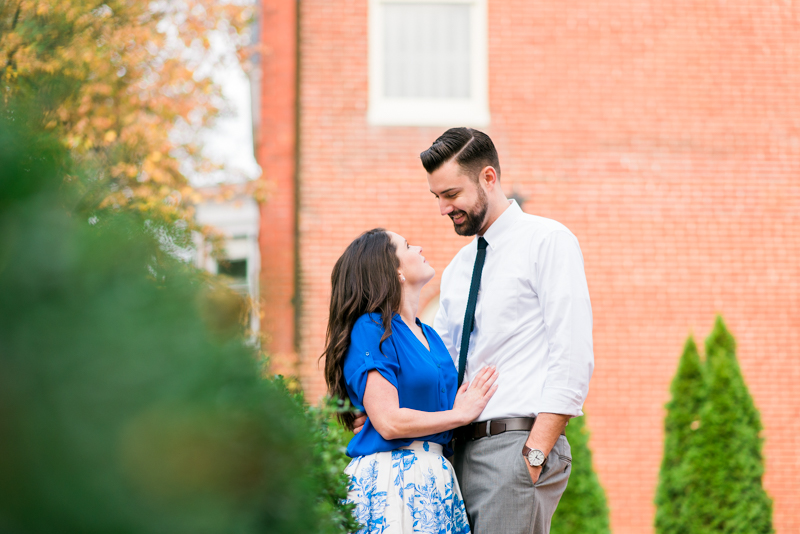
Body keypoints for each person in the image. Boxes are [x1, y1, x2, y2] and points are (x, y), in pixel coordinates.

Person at [420, 127, 595, 534]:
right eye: (437, 198)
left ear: (488, 177)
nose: (444, 209)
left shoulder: (547, 241)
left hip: (513, 450)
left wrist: (533, 456)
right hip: (454, 454)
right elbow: (441, 364)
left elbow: (572, 352)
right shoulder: (458, 268)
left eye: (451, 194)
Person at [322, 228, 499, 534]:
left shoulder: (430, 335)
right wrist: (459, 414)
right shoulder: (372, 327)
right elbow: (389, 422)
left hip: (438, 475)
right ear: (395, 270)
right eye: (406, 245)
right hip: (392, 479)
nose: (418, 246)